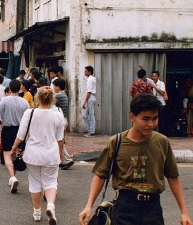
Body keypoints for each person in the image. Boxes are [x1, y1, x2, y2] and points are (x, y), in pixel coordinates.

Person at [78, 94, 193, 225]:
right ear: (132, 116)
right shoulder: (116, 142)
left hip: (152, 209)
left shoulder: (162, 142)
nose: (151, 124)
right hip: (124, 207)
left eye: (155, 119)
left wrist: (184, 212)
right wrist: (88, 206)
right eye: (145, 119)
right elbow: (100, 175)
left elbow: (173, 177)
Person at [11, 86, 65, 223]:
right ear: (52, 99)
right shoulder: (58, 115)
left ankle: (36, 212)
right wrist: (60, 154)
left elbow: (21, 135)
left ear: (38, 98)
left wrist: (13, 148)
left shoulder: (29, 113)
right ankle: (51, 206)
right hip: (51, 154)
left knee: (35, 183)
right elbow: (60, 138)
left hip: (33, 154)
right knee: (51, 182)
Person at [0, 79, 29, 193]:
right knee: (16, 153)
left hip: (7, 130)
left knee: (7, 154)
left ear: (9, 88)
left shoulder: (4, 101)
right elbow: (28, 120)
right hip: (20, 131)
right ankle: (12, 177)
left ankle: (12, 177)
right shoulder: (25, 102)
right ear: (20, 88)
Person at [53, 78, 74, 170]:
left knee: (59, 141)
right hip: (64, 119)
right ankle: (62, 160)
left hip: (60, 120)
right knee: (60, 140)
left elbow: (50, 105)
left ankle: (68, 159)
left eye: (54, 86)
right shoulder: (64, 94)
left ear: (57, 87)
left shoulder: (58, 96)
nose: (53, 88)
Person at [83, 66, 96, 137]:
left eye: (85, 71)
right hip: (91, 97)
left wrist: (85, 101)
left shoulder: (90, 80)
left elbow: (89, 91)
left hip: (90, 97)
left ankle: (91, 132)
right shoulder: (92, 79)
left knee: (91, 115)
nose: (84, 72)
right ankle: (90, 130)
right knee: (85, 116)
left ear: (89, 72)